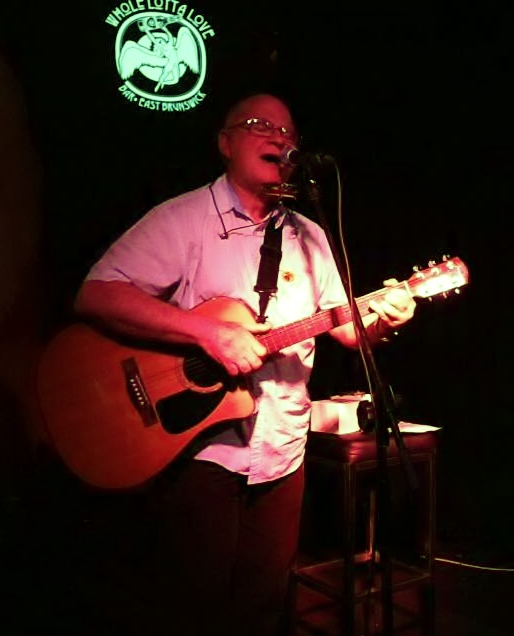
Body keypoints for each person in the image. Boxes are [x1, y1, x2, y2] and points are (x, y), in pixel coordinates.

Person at [73, 92, 417, 636]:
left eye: (289, 133)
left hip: (283, 452)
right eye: (260, 125)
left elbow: (346, 328)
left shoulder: (311, 235)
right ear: (225, 143)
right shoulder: (184, 219)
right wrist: (208, 332)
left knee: (259, 610)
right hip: (199, 451)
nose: (279, 138)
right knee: (189, 609)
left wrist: (385, 316)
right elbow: (96, 295)